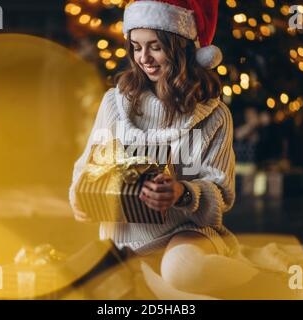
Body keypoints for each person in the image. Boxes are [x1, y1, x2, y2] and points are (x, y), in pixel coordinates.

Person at [69, 0, 259, 297]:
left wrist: (182, 192)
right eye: (135, 46)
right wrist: (81, 196)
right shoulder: (114, 104)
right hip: (125, 242)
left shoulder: (216, 115)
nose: (144, 58)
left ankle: (261, 282)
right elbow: (87, 166)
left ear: (180, 47)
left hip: (185, 233)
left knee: (181, 270)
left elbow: (222, 194)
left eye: (155, 46)